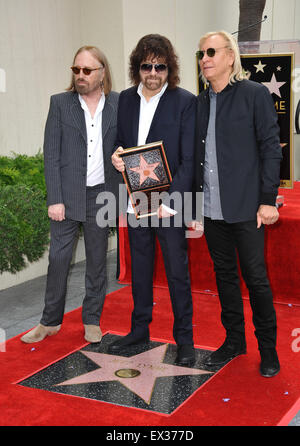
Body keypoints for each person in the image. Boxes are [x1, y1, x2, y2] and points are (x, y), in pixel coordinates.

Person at [192, 30, 282, 377]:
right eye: (201, 53)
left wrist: (266, 200)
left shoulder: (254, 95)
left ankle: (268, 349)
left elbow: (271, 148)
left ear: (231, 56)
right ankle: (234, 341)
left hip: (248, 208)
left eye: (212, 51)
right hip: (212, 210)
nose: (205, 59)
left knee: (256, 280)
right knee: (224, 277)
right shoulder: (198, 103)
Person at [21, 46, 120, 344]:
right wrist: (55, 199)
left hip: (102, 195)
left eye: (87, 70)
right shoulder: (60, 104)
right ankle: (49, 321)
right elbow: (51, 155)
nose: (80, 75)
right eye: (76, 69)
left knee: (97, 261)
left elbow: (127, 146)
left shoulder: (118, 103)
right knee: (59, 259)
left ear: (102, 72)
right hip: (66, 196)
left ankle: (91, 319)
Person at [110, 34, 196, 366]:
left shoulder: (184, 101)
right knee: (141, 268)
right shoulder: (126, 100)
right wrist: (116, 157)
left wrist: (171, 203)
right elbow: (120, 142)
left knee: (177, 272)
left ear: (169, 67)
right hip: (136, 201)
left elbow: (189, 160)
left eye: (160, 65)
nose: (153, 72)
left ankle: (185, 340)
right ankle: (138, 330)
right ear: (138, 67)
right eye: (147, 65)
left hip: (171, 204)